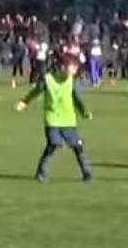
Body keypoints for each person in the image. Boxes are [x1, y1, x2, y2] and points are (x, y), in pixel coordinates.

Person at [16, 51, 94, 184]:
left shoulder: (72, 81)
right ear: (63, 66)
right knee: (54, 144)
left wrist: (84, 111)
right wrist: (24, 102)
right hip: (52, 119)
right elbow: (35, 91)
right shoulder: (47, 79)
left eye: (76, 67)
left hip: (68, 120)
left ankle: (87, 173)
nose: (75, 69)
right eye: (73, 66)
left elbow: (77, 99)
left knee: (77, 146)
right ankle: (41, 173)